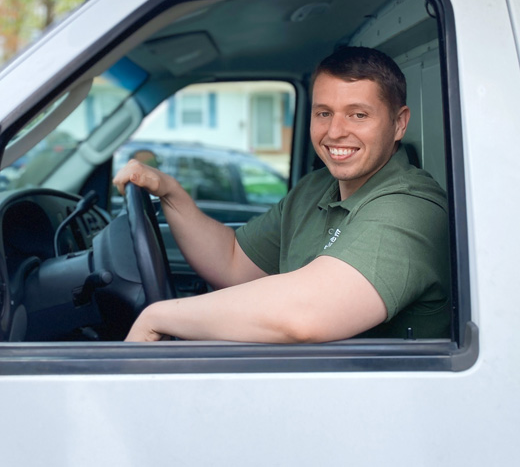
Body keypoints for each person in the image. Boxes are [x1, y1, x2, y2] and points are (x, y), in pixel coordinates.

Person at [113, 47, 450, 343]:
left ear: (399, 123)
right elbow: (231, 261)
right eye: (323, 113)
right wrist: (171, 192)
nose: (335, 132)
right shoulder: (316, 187)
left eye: (358, 115)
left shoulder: (411, 208)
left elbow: (307, 314)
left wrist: (159, 316)